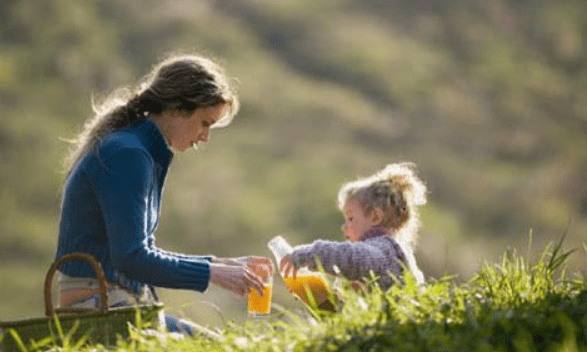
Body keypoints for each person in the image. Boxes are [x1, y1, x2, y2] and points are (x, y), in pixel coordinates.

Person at [54, 52, 273, 335]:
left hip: (118, 303)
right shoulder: (128, 154)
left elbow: (137, 254)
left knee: (219, 342)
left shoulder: (136, 150)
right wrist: (214, 273)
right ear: (176, 109)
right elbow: (132, 259)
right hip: (98, 308)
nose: (205, 137)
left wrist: (220, 265)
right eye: (205, 123)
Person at [280, 162, 426, 291]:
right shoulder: (395, 251)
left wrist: (303, 255)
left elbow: (347, 256)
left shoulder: (383, 250)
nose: (345, 227)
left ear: (375, 217)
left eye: (351, 218)